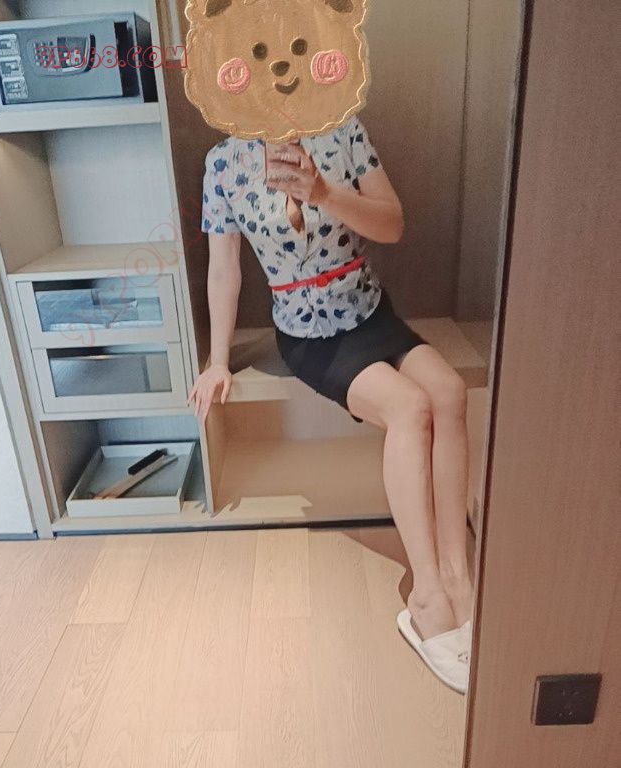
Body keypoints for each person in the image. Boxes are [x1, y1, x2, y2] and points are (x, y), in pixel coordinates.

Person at [188, 115, 473, 692]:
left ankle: (458, 574)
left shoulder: (343, 132)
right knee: (410, 408)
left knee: (449, 393)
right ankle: (426, 593)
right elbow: (223, 271)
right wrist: (217, 360)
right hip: (310, 335)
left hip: (371, 313)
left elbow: (392, 224)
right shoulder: (223, 164)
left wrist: (324, 192)